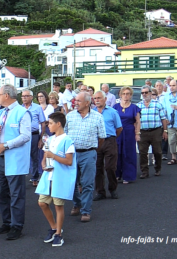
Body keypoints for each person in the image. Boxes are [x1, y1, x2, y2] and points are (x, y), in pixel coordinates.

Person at [0, 84, 31, 240]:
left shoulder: (22, 113)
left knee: (16, 194)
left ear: (6, 95)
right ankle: (7, 222)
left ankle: (17, 226)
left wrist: (6, 145)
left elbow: (25, 136)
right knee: (1, 193)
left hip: (14, 158)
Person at [35, 112, 76, 247]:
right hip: (49, 176)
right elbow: (46, 154)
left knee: (58, 205)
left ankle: (58, 233)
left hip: (60, 177)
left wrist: (53, 156)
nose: (48, 125)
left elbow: (69, 161)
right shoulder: (50, 139)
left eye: (51, 123)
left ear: (58, 124)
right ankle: (54, 227)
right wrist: (43, 163)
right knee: (42, 202)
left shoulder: (67, 140)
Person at [65, 92, 106, 222]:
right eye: (75, 101)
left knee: (87, 183)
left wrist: (93, 150)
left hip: (89, 153)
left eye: (78, 101)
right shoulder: (69, 116)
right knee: (72, 182)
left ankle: (86, 211)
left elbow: (102, 138)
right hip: (72, 153)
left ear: (87, 103)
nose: (75, 103)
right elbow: (64, 135)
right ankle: (77, 203)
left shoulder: (97, 117)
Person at [93, 91, 123, 201]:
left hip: (109, 140)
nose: (97, 100)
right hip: (96, 141)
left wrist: (112, 137)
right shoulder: (92, 113)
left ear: (105, 99)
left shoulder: (113, 112)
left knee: (110, 167)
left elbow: (119, 128)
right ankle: (100, 191)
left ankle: (112, 189)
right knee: (97, 167)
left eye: (99, 98)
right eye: (95, 98)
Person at [136, 86, 168, 178]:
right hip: (142, 131)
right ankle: (144, 172)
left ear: (150, 93)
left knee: (157, 152)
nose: (144, 94)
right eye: (143, 93)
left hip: (156, 131)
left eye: (146, 92)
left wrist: (165, 131)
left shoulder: (158, 104)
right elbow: (136, 121)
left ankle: (158, 168)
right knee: (142, 153)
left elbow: (163, 119)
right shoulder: (138, 106)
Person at [113, 87, 141, 184]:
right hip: (117, 132)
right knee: (117, 153)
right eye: (124, 93)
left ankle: (128, 176)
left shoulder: (134, 107)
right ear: (120, 95)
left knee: (128, 154)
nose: (126, 95)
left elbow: (138, 121)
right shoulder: (115, 107)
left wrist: (137, 133)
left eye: (128, 93)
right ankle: (117, 174)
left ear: (131, 95)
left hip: (129, 133)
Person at [22, 89, 46, 187]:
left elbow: (43, 123)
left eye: (26, 96)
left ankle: (35, 177)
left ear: (31, 97)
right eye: (23, 96)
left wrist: (41, 139)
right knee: (22, 156)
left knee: (34, 156)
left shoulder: (37, 108)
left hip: (34, 134)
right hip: (22, 135)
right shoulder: (19, 108)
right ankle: (21, 177)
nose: (24, 98)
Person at [37, 90, 54, 178]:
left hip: (47, 130)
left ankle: (48, 169)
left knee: (46, 149)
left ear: (45, 97)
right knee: (39, 152)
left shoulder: (50, 107)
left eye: (42, 96)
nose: (40, 98)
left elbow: (49, 120)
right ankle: (40, 171)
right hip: (38, 130)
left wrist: (42, 122)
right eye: (39, 97)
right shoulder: (37, 107)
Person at [154, 81, 168, 160]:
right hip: (155, 119)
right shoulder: (152, 95)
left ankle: (164, 153)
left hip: (163, 117)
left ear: (163, 87)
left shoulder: (166, 96)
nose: (158, 87)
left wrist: (167, 118)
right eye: (157, 85)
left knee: (164, 135)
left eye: (160, 85)